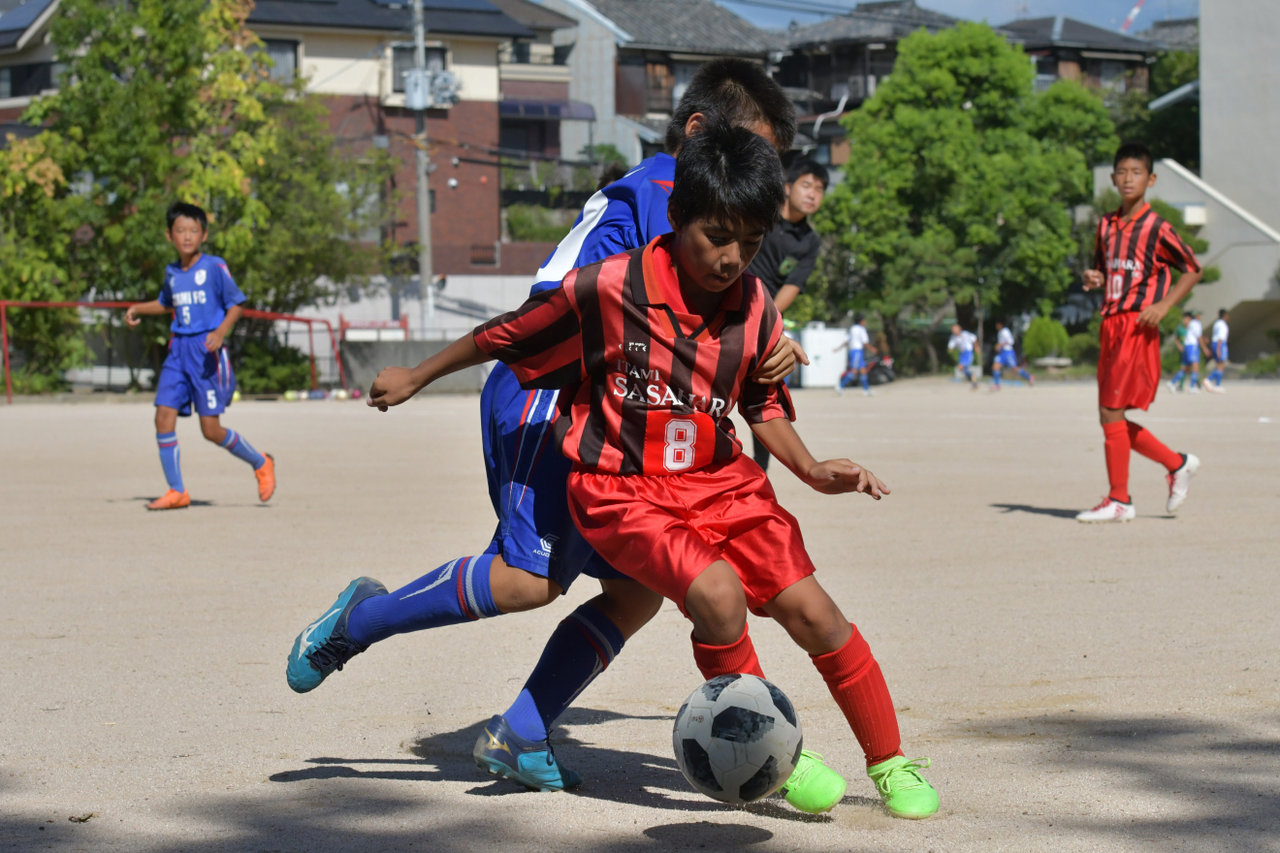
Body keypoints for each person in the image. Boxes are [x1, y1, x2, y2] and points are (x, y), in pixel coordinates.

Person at [284, 60, 846, 813]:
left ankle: (520, 730)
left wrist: (762, 348)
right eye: (754, 152)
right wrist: (420, 373)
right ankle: (358, 621)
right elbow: (566, 316)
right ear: (699, 134)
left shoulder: (679, 200)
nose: (758, 178)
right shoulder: (666, 197)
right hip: (548, 394)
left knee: (638, 590)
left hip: (609, 409)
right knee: (528, 580)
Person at [365, 123, 939, 820]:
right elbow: (507, 333)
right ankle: (772, 755)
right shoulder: (610, 288)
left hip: (719, 483)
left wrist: (812, 468)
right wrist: (418, 375)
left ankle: (890, 761)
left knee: (815, 612)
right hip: (622, 490)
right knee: (717, 596)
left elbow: (760, 402)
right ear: (677, 215)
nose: (733, 258)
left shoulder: (755, 304)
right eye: (717, 237)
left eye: (751, 242)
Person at [1076, 142, 1202, 523]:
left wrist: (1164, 305)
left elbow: (1192, 268)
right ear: (1113, 178)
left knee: (1111, 412)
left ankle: (1120, 499)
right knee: (1109, 416)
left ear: (1151, 179)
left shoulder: (1157, 227)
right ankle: (1176, 463)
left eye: (1136, 172)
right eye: (1122, 172)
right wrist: (1094, 278)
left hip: (1136, 324)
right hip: (1110, 324)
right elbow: (1105, 271)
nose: (1128, 179)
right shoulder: (1105, 225)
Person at [124, 202, 275, 510]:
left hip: (205, 353)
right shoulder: (171, 272)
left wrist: (220, 332)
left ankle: (260, 462)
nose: (187, 236)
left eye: (193, 230)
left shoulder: (214, 267)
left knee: (211, 430)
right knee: (162, 416)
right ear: (169, 235)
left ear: (204, 234)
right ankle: (176, 490)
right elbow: (167, 303)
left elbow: (236, 304)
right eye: (180, 230)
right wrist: (138, 308)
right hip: (178, 351)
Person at [746, 157, 827, 469]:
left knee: (767, 395)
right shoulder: (760, 213)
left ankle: (761, 470)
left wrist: (765, 316)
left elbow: (793, 284)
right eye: (807, 185)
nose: (812, 194)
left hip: (763, 318)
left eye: (819, 189)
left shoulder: (809, 241)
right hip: (727, 302)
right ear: (789, 187)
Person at [834, 314, 876, 396]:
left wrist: (838, 348)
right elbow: (865, 342)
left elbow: (847, 341)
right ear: (861, 321)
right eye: (864, 320)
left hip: (854, 351)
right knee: (854, 371)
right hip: (857, 352)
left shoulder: (852, 329)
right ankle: (840, 386)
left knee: (863, 370)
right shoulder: (861, 329)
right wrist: (872, 349)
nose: (865, 322)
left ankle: (866, 390)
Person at [1169, 308, 1205, 393]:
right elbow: (1199, 337)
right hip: (1192, 347)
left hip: (1187, 347)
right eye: (1199, 315)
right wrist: (1205, 348)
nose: (1201, 316)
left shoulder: (1190, 324)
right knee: (1195, 367)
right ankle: (1192, 387)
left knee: (1186, 368)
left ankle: (1173, 383)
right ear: (1196, 316)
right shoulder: (1196, 323)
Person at [990, 320, 1034, 389]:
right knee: (995, 367)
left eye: (997, 324)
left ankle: (1029, 377)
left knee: (1015, 369)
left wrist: (1000, 344)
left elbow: (1011, 341)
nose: (996, 326)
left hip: (1008, 352)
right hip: (1002, 353)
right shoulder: (1000, 332)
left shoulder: (1005, 331)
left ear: (1000, 324)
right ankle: (997, 384)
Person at [947, 324, 979, 389]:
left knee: (961, 367)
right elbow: (951, 345)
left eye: (955, 329)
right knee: (962, 369)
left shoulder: (965, 334)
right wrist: (950, 349)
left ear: (959, 329)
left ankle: (973, 379)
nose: (953, 330)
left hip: (968, 353)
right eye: (953, 329)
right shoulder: (953, 337)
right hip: (961, 354)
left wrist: (976, 347)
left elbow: (974, 338)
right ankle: (973, 380)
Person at [1205, 308, 1229, 392]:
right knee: (1220, 365)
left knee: (1219, 364)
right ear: (1225, 315)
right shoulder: (1223, 325)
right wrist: (1219, 350)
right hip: (1220, 344)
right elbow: (1220, 337)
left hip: (1214, 344)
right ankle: (1211, 380)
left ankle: (1216, 384)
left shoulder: (1216, 323)